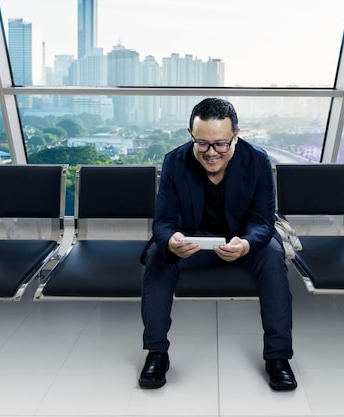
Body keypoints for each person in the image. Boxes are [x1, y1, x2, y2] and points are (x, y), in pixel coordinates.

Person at [138, 97, 296, 391]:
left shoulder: (258, 161)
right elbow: (162, 221)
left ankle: (278, 357)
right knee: (158, 256)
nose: (212, 153)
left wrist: (247, 245)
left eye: (221, 144)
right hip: (192, 243)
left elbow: (264, 221)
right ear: (190, 135)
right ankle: (156, 353)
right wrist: (171, 243)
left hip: (245, 240)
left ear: (236, 134)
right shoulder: (174, 161)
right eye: (202, 144)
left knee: (274, 258)